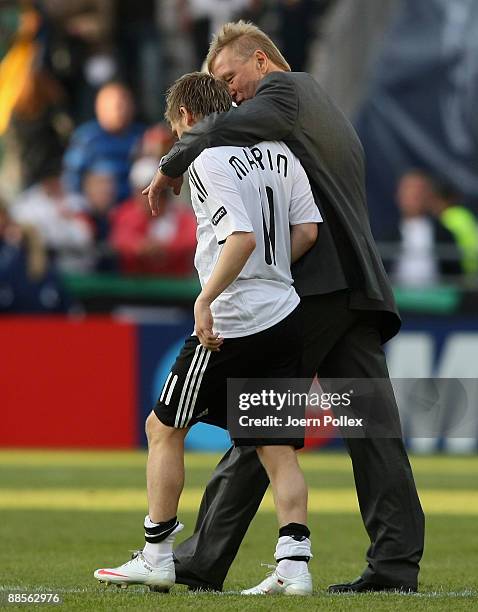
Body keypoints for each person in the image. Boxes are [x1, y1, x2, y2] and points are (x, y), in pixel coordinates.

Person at [144, 20, 425, 594]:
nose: (229, 93)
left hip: (317, 290)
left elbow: (225, 128)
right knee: (374, 434)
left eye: (230, 77)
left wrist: (172, 160)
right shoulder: (319, 106)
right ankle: (395, 564)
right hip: (356, 289)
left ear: (263, 62)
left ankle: (199, 561)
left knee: (262, 427)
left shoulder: (286, 93)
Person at [94, 71, 322, 594]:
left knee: (162, 427)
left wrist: (206, 297)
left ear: (189, 119)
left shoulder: (208, 159)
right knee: (275, 447)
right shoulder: (281, 154)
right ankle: (294, 565)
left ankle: (155, 553)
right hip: (283, 314)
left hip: (233, 320)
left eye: (178, 127)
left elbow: (238, 238)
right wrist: (272, 273)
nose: (180, 139)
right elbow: (307, 231)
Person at [110, 157, 196, 277]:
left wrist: (165, 248)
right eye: (144, 191)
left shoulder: (181, 215)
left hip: (174, 286)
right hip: (134, 286)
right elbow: (119, 239)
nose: (151, 195)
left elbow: (192, 238)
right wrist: (140, 246)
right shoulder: (126, 213)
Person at [63, 81, 144, 203]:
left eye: (124, 104)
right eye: (115, 106)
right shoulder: (87, 138)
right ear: (99, 108)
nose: (120, 111)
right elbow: (71, 178)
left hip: (136, 209)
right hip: (97, 210)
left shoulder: (142, 136)